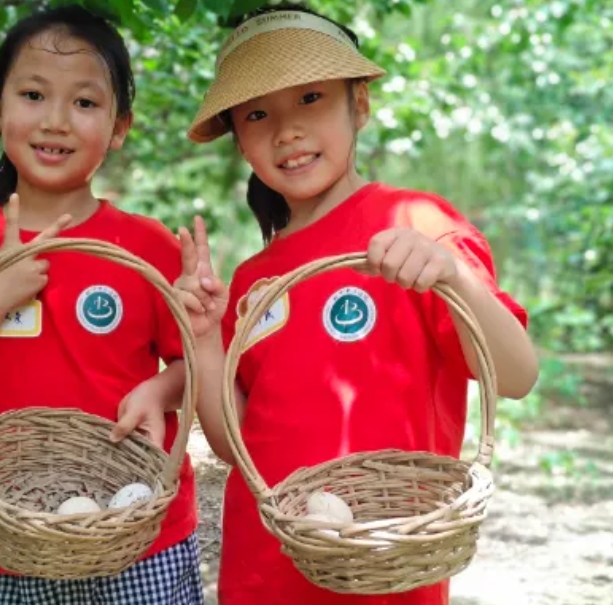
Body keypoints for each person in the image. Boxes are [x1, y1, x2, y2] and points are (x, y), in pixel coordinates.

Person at [175, 4, 539, 604]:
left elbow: (518, 375)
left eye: (310, 98)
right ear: (239, 140)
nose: (287, 130)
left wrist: (453, 276)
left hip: (386, 574)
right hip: (263, 572)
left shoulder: (417, 226)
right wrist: (205, 337)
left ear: (359, 105)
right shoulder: (255, 279)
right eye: (258, 114)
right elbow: (232, 442)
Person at [0, 5, 202, 604]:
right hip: (11, 545)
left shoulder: (145, 246)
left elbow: (198, 365)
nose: (56, 120)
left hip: (139, 542)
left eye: (84, 102)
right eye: (33, 95)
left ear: (119, 127)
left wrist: (161, 390)